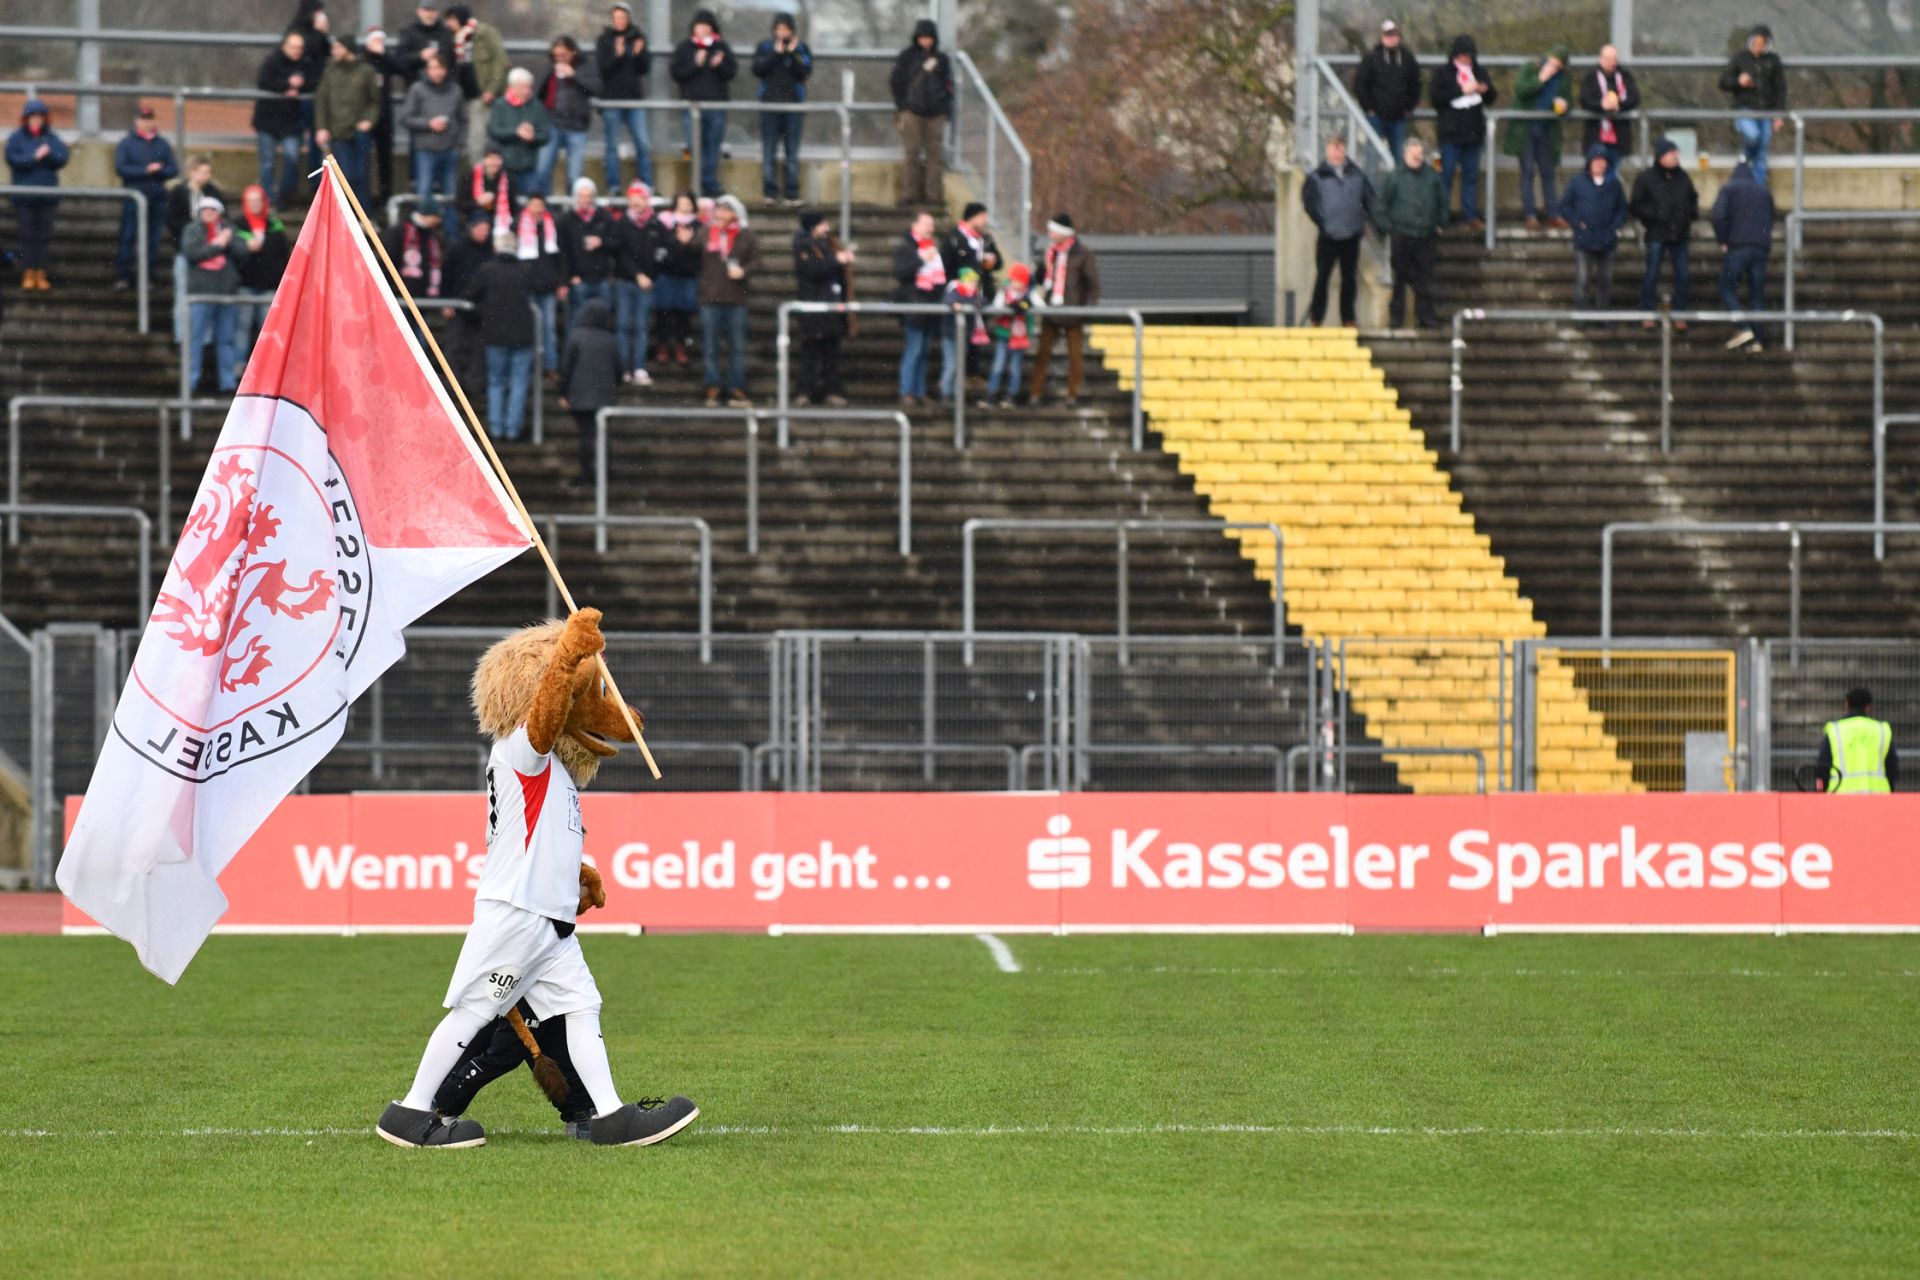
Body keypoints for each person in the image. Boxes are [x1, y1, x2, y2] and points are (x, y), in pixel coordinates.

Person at [467, 228, 536, 441]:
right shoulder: (525, 270)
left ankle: (496, 429)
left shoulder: (488, 270)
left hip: (495, 334)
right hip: (522, 335)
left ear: (497, 247)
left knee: (496, 382)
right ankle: (512, 430)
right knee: (519, 382)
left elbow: (471, 294)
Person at [1373, 136, 1445, 330]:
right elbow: (1380, 205)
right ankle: (1396, 318)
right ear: (1405, 154)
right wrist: (1389, 228)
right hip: (1402, 235)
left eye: (1420, 154)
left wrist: (1440, 223)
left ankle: (1426, 318)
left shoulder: (1432, 176)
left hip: (1426, 235)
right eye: (1414, 154)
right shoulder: (1394, 177)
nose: (1417, 157)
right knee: (1400, 279)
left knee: (1424, 279)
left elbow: (1442, 202)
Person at [1301, 135, 1373, 328]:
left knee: (1349, 279)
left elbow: (1368, 200)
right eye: (1333, 147)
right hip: (1328, 236)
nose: (1337, 151)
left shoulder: (1357, 174)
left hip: (1352, 235)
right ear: (1327, 149)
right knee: (1322, 277)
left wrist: (1362, 221)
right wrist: (1324, 222)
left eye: (1340, 147)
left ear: (1345, 149)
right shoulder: (1317, 176)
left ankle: (1348, 319)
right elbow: (1310, 203)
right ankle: (1316, 318)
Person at [1030, 213, 1101, 408]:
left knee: (1075, 356)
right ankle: (1035, 392)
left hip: (1073, 313)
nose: (1050, 235)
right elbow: (1040, 278)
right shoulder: (1050, 253)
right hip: (1051, 311)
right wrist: (1040, 267)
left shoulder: (1083, 254)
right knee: (1042, 353)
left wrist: (1085, 309)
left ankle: (1073, 394)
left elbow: (1092, 285)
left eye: (1053, 231)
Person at [182, 196, 250, 392]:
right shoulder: (193, 230)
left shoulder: (229, 229)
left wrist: (227, 241)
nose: (208, 213)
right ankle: (190, 383)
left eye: (213, 210)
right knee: (195, 339)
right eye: (205, 210)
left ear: (219, 213)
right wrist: (217, 246)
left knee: (226, 339)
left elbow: (243, 253)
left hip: (226, 292)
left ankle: (227, 383)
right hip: (201, 293)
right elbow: (192, 253)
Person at [698, 194, 759, 406]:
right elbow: (690, 254)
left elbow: (757, 261)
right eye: (719, 210)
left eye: (726, 211)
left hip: (736, 299)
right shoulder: (706, 233)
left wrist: (743, 271)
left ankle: (736, 387)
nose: (720, 215)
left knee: (737, 346)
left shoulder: (746, 235)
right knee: (710, 345)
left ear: (735, 214)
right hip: (710, 296)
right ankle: (712, 386)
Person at [1430, 34, 1495, 230]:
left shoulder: (1479, 71)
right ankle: (1441, 216)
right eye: (1462, 56)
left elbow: (1492, 97)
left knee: (1471, 176)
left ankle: (1471, 215)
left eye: (1469, 56)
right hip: (1450, 134)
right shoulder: (1442, 73)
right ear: (1455, 55)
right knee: (1446, 175)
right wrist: (1461, 91)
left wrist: (1485, 90)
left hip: (1473, 133)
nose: (1466, 59)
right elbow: (1436, 98)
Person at [1630, 138, 1698, 325]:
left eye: (1676, 153)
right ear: (1661, 156)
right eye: (1671, 153)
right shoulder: (1646, 178)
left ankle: (1679, 313)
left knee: (1683, 275)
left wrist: (1689, 215)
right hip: (1656, 233)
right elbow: (1636, 206)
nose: (1676, 157)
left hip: (1680, 234)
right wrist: (1655, 216)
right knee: (1652, 273)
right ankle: (1647, 311)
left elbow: (1692, 199)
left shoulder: (1683, 177)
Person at [670, 10, 736, 199]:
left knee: (713, 145)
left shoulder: (721, 46)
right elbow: (677, 73)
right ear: (694, 28)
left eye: (707, 26)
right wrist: (695, 64)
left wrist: (719, 65)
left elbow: (731, 72)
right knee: (695, 145)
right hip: (692, 106)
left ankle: (708, 182)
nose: (703, 29)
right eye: (700, 26)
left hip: (716, 106)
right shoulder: (685, 48)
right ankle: (701, 181)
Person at [6, 98, 69, 293]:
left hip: (47, 197)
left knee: (43, 236)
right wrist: (35, 157)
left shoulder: (51, 137)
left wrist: (47, 154)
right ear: (26, 119)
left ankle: (40, 272)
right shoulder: (16, 138)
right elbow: (13, 159)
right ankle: (28, 272)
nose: (36, 120)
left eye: (39, 117)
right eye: (33, 117)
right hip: (24, 197)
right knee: (27, 236)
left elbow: (62, 158)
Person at [1712, 158, 1775, 352]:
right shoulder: (1765, 192)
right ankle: (1758, 339)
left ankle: (1743, 327)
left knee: (1727, 289)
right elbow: (1771, 217)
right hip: (1761, 248)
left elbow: (1718, 215)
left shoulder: (1729, 189)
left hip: (1738, 247)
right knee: (1757, 294)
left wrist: (1723, 239)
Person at [112, 105, 178, 292]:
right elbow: (120, 167)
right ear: (137, 121)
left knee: (153, 240)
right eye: (143, 119)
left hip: (157, 198)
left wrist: (158, 171)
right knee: (128, 236)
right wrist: (145, 171)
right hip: (134, 198)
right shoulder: (127, 143)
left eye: (149, 119)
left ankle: (147, 276)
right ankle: (123, 275)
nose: (147, 123)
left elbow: (173, 169)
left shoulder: (162, 144)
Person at [559, 300, 622, 487]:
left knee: (586, 435)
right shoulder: (610, 339)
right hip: (605, 396)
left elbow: (566, 367)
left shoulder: (576, 336)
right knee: (603, 436)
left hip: (580, 396)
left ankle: (587, 474)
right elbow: (619, 369)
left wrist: (563, 392)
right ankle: (605, 474)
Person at [312, 35, 381, 208]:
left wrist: (368, 120)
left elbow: (375, 100)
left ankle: (364, 216)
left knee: (362, 175)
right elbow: (321, 100)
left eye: (338, 47)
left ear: (347, 49)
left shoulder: (366, 71)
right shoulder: (331, 71)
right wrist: (321, 127)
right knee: (345, 175)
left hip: (359, 132)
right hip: (338, 132)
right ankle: (344, 214)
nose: (334, 51)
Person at [890, 20, 953, 208]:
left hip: (936, 113)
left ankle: (933, 194)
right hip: (912, 112)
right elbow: (896, 81)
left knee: (935, 154)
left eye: (928, 37)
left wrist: (944, 108)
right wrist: (903, 106)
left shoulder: (942, 59)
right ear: (917, 38)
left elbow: (948, 86)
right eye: (922, 37)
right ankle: (910, 193)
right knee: (912, 153)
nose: (925, 41)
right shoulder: (907, 57)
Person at [1556, 145, 1627, 311]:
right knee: (1583, 279)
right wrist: (1577, 222)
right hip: (1584, 238)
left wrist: (1615, 226)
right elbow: (1565, 206)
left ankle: (1602, 314)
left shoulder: (1614, 184)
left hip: (1607, 239)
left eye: (1603, 161)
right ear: (1589, 162)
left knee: (1606, 279)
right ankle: (1581, 314)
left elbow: (1622, 209)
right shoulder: (1577, 182)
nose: (1600, 164)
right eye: (1596, 160)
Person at [1507, 44, 1569, 231]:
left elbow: (1568, 102)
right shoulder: (1531, 68)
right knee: (1527, 171)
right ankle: (1530, 214)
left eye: (1558, 66)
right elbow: (1521, 90)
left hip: (1546, 131)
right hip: (1526, 129)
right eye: (1552, 63)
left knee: (1548, 171)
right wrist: (1541, 79)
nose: (1554, 68)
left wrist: (1564, 106)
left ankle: (1553, 213)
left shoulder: (1563, 79)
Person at [791, 208, 850, 406]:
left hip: (831, 304)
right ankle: (804, 391)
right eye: (823, 223)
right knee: (810, 351)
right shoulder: (802, 244)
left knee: (831, 351)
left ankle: (831, 390)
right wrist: (837, 261)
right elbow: (812, 270)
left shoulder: (828, 243)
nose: (827, 227)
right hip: (813, 305)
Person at [752, 13, 812, 205]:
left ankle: (791, 192)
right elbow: (758, 69)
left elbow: (804, 72)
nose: (782, 33)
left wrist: (792, 55)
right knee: (769, 150)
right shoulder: (765, 47)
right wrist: (776, 54)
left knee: (791, 152)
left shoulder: (801, 48)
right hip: (770, 105)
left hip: (793, 106)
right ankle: (769, 191)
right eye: (779, 29)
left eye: (786, 29)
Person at [534, 36, 602, 199]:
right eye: (556, 55)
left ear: (572, 52)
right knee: (542, 169)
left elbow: (596, 88)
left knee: (574, 174)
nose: (560, 59)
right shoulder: (550, 68)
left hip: (576, 126)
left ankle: (572, 208)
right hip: (552, 125)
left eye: (563, 55)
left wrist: (574, 75)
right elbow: (538, 93)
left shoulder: (584, 67)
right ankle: (545, 206)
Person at [596, 4, 654, 188]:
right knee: (612, 146)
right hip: (612, 100)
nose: (620, 21)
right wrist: (617, 55)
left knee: (643, 144)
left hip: (634, 100)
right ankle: (614, 186)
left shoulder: (637, 38)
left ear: (628, 18)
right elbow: (603, 68)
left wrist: (639, 54)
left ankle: (646, 185)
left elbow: (644, 69)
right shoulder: (604, 40)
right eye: (616, 18)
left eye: (623, 17)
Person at [1721, 25, 1786, 186]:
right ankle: (1745, 159)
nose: (1758, 47)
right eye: (1755, 42)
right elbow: (1723, 82)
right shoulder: (1739, 58)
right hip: (1745, 108)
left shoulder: (1773, 60)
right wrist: (1739, 82)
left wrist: (1778, 114)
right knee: (1753, 136)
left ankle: (1758, 189)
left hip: (1766, 112)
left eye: (1761, 43)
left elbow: (1780, 88)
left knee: (1762, 152)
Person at [610, 179, 661, 384]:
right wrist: (637, 274)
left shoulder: (655, 223)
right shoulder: (622, 223)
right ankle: (623, 368)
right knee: (622, 326)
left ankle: (639, 366)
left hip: (647, 283)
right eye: (632, 198)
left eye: (639, 198)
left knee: (641, 327)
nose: (635, 202)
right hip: (625, 281)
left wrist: (650, 275)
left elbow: (664, 251)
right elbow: (619, 253)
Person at [893, 209, 945, 407]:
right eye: (927, 224)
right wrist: (922, 259)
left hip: (931, 305)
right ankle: (906, 390)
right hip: (914, 305)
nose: (931, 228)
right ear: (915, 226)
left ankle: (919, 390)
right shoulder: (907, 247)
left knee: (924, 351)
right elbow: (901, 272)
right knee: (914, 350)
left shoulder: (933, 246)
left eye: (932, 225)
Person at [401, 52, 467, 205]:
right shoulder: (417, 89)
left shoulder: (455, 90)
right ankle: (423, 228)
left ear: (445, 70)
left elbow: (464, 119)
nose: (436, 72)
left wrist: (460, 144)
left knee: (450, 195)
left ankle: (450, 229)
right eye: (432, 68)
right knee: (424, 193)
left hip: (450, 149)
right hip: (426, 150)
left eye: (439, 68)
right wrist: (428, 124)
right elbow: (405, 118)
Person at [166, 155, 221, 337]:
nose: (207, 176)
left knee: (207, 300)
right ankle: (182, 337)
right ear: (192, 172)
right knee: (183, 297)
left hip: (209, 253)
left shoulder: (213, 191)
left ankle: (205, 339)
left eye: (208, 172)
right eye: (203, 172)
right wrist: (192, 229)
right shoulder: (178, 193)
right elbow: (172, 222)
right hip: (186, 251)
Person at [1353, 20, 1421, 166]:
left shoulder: (1407, 59)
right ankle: (1371, 189)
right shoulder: (1371, 58)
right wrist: (1369, 108)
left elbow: (1415, 84)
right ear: (1382, 37)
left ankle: (1398, 189)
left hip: (1399, 118)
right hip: (1376, 117)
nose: (1391, 38)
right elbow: (1360, 85)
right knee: (1372, 158)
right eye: (1387, 35)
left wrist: (1408, 108)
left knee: (1400, 158)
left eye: (1394, 35)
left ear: (1399, 36)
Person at [253, 30, 309, 208]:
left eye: (300, 47)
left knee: (292, 157)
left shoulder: (305, 64)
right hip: (268, 120)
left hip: (290, 122)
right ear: (285, 46)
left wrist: (299, 87)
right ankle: (269, 199)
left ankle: (284, 194)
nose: (297, 51)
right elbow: (263, 82)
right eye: (293, 47)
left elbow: (313, 83)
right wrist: (286, 86)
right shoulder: (272, 61)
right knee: (267, 162)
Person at [441, 212, 495, 394]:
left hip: (481, 308)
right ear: (472, 228)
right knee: (453, 346)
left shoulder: (490, 251)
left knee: (480, 350)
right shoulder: (457, 249)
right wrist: (446, 301)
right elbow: (446, 276)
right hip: (458, 304)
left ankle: (475, 385)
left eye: (487, 229)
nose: (485, 233)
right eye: (482, 228)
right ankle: (451, 384)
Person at [446, 6, 507, 161]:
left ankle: (480, 177)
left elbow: (500, 61)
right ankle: (474, 177)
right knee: (467, 139)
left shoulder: (484, 33)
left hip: (480, 96)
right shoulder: (453, 38)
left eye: (451, 20)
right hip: (461, 97)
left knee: (477, 140)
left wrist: (492, 89)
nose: (448, 24)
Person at [233, 183, 291, 348]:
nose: (254, 204)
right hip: (245, 285)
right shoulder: (238, 225)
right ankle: (240, 367)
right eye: (250, 201)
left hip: (269, 286)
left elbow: (283, 256)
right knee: (242, 327)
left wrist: (276, 278)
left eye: (258, 200)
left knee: (268, 329)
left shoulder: (275, 226)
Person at [515, 192, 567, 372]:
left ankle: (550, 365)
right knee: (528, 326)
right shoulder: (517, 225)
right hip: (527, 285)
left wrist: (561, 282)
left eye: (540, 205)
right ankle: (531, 365)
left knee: (549, 328)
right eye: (533, 205)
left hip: (548, 286)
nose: (537, 209)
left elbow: (560, 257)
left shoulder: (553, 225)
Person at [652, 190, 703, 366]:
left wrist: (688, 242)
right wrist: (677, 242)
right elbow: (660, 247)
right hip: (667, 274)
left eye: (688, 203)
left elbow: (700, 251)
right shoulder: (663, 222)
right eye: (681, 202)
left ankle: (680, 347)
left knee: (684, 314)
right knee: (663, 313)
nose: (685, 206)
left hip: (687, 276)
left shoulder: (698, 225)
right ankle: (663, 346)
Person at [559, 176, 617, 327]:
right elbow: (563, 251)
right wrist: (571, 276)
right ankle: (575, 350)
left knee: (602, 319)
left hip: (601, 278)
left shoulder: (604, 217)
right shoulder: (567, 219)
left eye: (589, 196)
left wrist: (601, 242)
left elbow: (617, 243)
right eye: (582, 196)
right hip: (579, 280)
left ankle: (599, 350)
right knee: (577, 319)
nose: (585, 200)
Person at [1817, 688, 1898, 794]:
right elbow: (1892, 767)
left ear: (1847, 704)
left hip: (1840, 797)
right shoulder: (1882, 730)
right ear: (1868, 707)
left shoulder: (1835, 730)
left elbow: (1823, 766)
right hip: (1878, 797)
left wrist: (1821, 791)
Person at [488, 68, 553, 198]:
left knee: (532, 202)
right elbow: (493, 130)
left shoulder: (537, 106)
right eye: (523, 87)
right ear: (512, 87)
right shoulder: (500, 105)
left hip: (529, 168)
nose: (527, 91)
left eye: (529, 87)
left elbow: (546, 135)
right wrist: (516, 132)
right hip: (505, 168)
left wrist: (533, 137)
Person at [1580, 44, 1640, 173]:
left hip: (1618, 137)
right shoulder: (1591, 77)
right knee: (1595, 174)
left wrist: (1619, 104)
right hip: (1596, 137)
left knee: (1612, 175)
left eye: (1614, 59)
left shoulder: (1624, 76)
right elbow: (1584, 100)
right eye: (1609, 59)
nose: (1612, 63)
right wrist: (1601, 105)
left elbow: (1634, 98)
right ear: (1601, 59)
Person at [984, 262, 1033, 408]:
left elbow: (1038, 305)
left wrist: (1024, 305)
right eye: (1014, 280)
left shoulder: (1028, 294)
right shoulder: (1004, 293)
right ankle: (992, 393)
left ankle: (1011, 395)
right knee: (998, 365)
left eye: (1019, 281)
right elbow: (997, 308)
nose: (1016, 284)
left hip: (1019, 337)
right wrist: (1007, 308)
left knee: (1014, 367)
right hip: (1004, 334)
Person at [940, 266, 988, 404]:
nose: (973, 285)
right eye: (970, 282)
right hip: (950, 335)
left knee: (960, 365)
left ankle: (955, 395)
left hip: (964, 336)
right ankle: (946, 394)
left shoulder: (974, 295)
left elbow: (983, 301)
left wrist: (971, 303)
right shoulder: (955, 291)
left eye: (974, 282)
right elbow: (949, 301)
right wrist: (961, 304)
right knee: (952, 365)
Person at [382, 197, 446, 300]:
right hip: (399, 295)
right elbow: (387, 260)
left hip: (424, 296)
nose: (439, 221)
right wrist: (393, 288)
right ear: (426, 214)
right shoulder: (399, 231)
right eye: (436, 216)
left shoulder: (433, 235)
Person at [940, 201, 1001, 297]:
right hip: (960, 295)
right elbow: (946, 266)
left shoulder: (986, 239)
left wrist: (992, 262)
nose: (985, 221)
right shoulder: (953, 239)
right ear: (972, 217)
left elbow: (999, 264)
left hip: (984, 295)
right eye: (982, 217)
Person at [460, 147, 513, 233]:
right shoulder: (470, 177)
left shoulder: (508, 179)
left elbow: (512, 205)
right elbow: (461, 203)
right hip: (474, 216)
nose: (494, 162)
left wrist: (494, 202)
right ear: (484, 160)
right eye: (491, 158)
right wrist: (478, 202)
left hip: (500, 217)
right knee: (481, 219)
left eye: (497, 159)